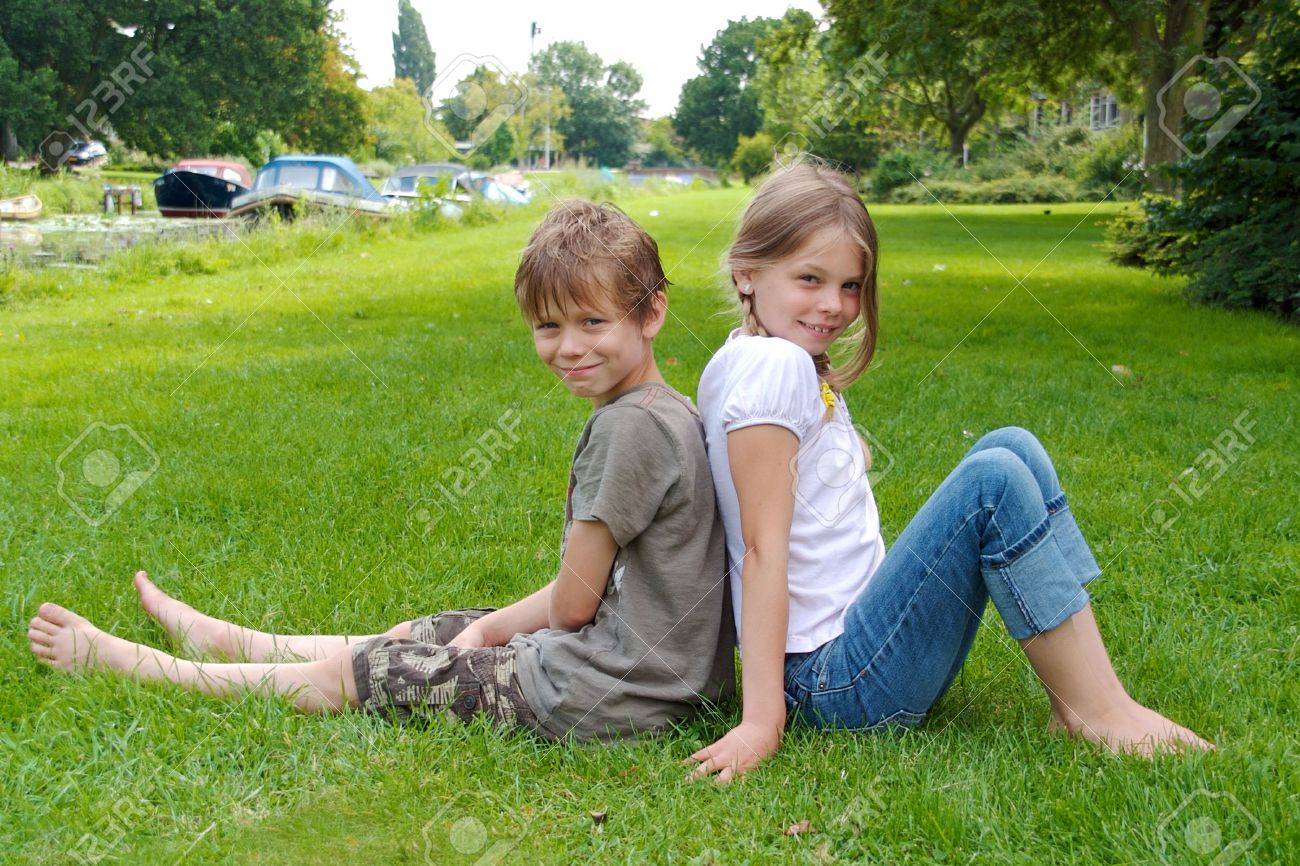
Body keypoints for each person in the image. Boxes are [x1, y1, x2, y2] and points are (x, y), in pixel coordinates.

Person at [28, 200, 735, 742]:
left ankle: (146, 668)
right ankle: (232, 641)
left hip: (605, 692)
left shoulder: (629, 427)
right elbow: (578, 600)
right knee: (421, 633)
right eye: (548, 326)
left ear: (651, 314)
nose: (567, 347)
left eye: (591, 322)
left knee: (369, 674)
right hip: (634, 669)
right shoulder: (654, 408)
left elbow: (573, 604)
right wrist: (488, 630)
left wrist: (496, 634)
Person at [685, 161, 1212, 783]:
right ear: (747, 272)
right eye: (810, 278)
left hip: (850, 651)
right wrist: (761, 721)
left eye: (851, 286)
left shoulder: (759, 357)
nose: (834, 305)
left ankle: (1081, 689)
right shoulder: (775, 367)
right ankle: (1097, 712)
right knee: (993, 481)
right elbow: (761, 550)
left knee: (1011, 446)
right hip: (832, 683)